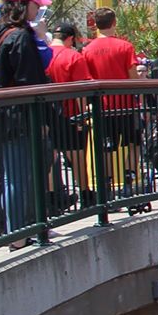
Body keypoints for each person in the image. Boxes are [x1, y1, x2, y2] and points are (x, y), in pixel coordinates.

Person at [0, 0, 51, 234]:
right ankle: (18, 236)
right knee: (18, 177)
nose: (38, 11)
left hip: (0, 112)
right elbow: (31, 78)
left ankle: (15, 232)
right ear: (25, 6)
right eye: (36, 5)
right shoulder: (21, 37)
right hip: (20, 115)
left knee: (9, 175)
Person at [83, 8, 141, 205]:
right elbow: (133, 77)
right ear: (114, 22)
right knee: (134, 144)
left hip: (103, 107)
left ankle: (106, 188)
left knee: (106, 148)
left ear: (95, 24)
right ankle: (129, 181)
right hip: (126, 105)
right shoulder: (125, 47)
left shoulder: (87, 50)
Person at [44, 22, 94, 209]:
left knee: (50, 157)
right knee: (78, 157)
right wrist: (82, 115)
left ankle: (51, 200)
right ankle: (86, 194)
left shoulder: (43, 55)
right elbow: (80, 90)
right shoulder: (73, 56)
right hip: (70, 114)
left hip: (46, 114)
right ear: (70, 38)